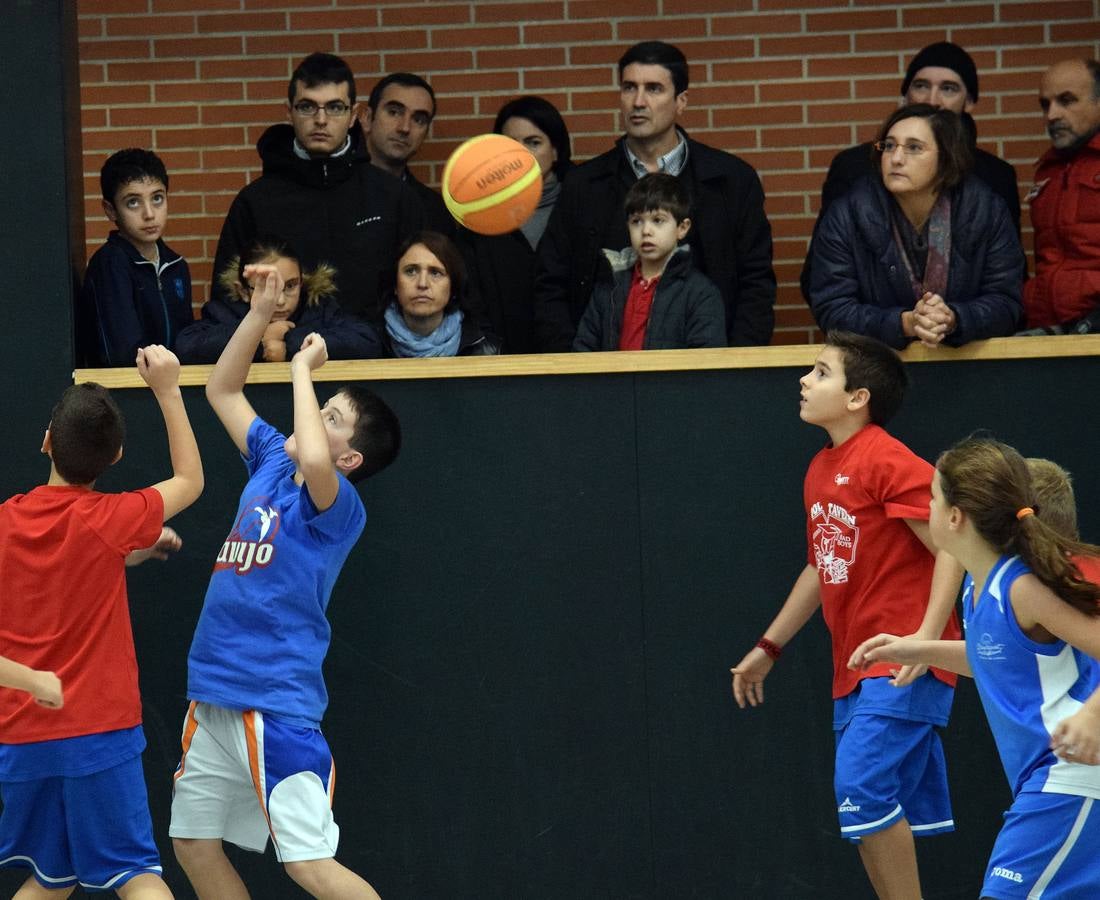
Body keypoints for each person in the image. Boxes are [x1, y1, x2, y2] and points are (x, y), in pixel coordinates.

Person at [168, 264, 401, 900]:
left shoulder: (338, 507)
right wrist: (258, 316)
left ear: (350, 459)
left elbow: (319, 459)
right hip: (215, 693)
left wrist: (303, 370)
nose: (313, 421)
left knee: (307, 864)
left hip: (273, 704)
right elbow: (221, 390)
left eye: (330, 418)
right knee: (191, 842)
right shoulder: (273, 460)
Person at [730, 331, 964, 900]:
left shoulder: (888, 458)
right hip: (854, 668)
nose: (804, 381)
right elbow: (821, 565)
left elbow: (955, 546)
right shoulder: (820, 467)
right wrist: (769, 647)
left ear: (857, 397)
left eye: (820, 371)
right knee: (863, 818)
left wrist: (925, 640)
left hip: (901, 665)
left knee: (860, 789)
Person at [850, 436, 1100, 899]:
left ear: (955, 517)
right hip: (1049, 783)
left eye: (931, 497)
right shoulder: (981, 587)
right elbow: (998, 659)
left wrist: (1090, 714)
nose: (925, 507)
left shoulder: (1024, 587)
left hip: (1068, 781)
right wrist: (919, 650)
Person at [0, 350, 204, 899]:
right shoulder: (112, 518)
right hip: (96, 735)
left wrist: (126, 552)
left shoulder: (4, 522)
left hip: (20, 739)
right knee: (137, 875)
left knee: (49, 879)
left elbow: (60, 568)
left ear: (46, 440)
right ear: (114, 456)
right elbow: (190, 478)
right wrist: (167, 390)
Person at [534, 40, 775, 350]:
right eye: (629, 88)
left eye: (654, 89)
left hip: (709, 373)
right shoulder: (584, 185)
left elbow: (756, 285)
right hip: (599, 379)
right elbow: (550, 285)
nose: (638, 101)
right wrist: (574, 369)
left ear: (681, 101)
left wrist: (733, 369)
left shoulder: (731, 181)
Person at [210, 52, 422, 321]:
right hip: (280, 356)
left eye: (334, 107)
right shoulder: (255, 201)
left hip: (373, 354)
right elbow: (225, 300)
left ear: (354, 114)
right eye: (307, 107)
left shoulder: (393, 196)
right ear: (289, 112)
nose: (321, 120)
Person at [808, 104, 1024, 349]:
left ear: (945, 157)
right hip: (876, 369)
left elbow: (1007, 303)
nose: (896, 158)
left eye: (914, 148)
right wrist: (904, 323)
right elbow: (832, 309)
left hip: (967, 367)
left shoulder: (985, 210)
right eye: (889, 146)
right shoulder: (847, 214)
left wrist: (953, 319)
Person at [459, 95, 573, 353]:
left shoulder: (580, 205)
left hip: (575, 364)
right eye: (510, 145)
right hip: (501, 370)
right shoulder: (477, 218)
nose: (520, 154)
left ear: (556, 150)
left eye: (533, 143)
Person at [573, 173, 725, 351]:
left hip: (670, 380)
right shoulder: (609, 289)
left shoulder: (700, 293)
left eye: (658, 220)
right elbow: (583, 353)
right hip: (613, 380)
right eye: (636, 221)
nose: (646, 231)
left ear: (682, 228)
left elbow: (706, 363)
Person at [176, 235, 383, 363]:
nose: (281, 301)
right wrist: (259, 335)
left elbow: (368, 341)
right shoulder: (224, 312)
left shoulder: (319, 308)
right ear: (243, 291)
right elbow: (186, 346)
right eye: (268, 287)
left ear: (303, 281)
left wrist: (290, 345)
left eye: (291, 286)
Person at [77, 148, 193, 367]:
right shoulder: (110, 264)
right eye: (133, 202)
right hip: (123, 391)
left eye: (157, 198)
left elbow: (185, 342)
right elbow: (121, 354)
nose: (149, 214)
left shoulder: (176, 266)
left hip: (171, 386)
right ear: (110, 210)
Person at [1018, 59, 1100, 334]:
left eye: (1067, 101)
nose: (1051, 115)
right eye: (1045, 104)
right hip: (1050, 332)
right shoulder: (1047, 171)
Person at [360, 72, 454, 236]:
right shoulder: (336, 190)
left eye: (418, 120)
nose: (404, 128)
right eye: (394, 112)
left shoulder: (433, 210)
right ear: (367, 119)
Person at [382, 231, 501, 357]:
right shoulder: (369, 346)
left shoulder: (486, 350)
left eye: (435, 273)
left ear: (453, 287)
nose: (422, 283)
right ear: (395, 284)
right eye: (411, 271)